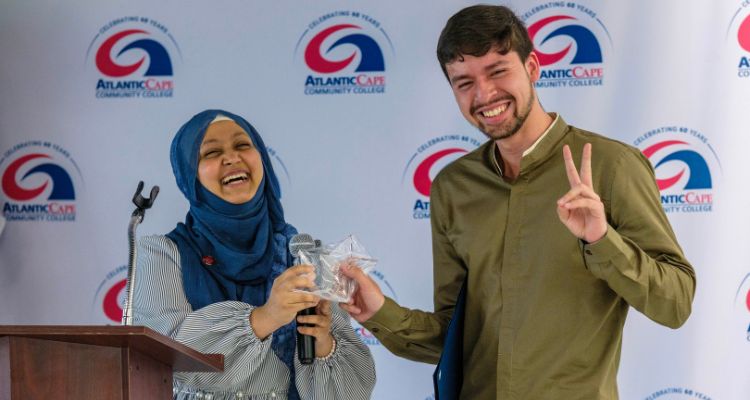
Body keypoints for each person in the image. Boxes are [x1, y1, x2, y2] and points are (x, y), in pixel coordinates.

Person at [340, 5, 696, 400]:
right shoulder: (452, 187)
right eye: (464, 82)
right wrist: (379, 311)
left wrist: (601, 239)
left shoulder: (613, 167)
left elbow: (675, 303)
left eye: (497, 71)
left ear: (532, 67)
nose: (484, 94)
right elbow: (456, 337)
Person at [133, 109, 376, 400]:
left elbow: (350, 394)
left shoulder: (302, 255)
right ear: (190, 175)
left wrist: (322, 340)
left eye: (242, 145)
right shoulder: (163, 256)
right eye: (211, 152)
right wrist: (264, 318)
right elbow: (164, 358)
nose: (232, 158)